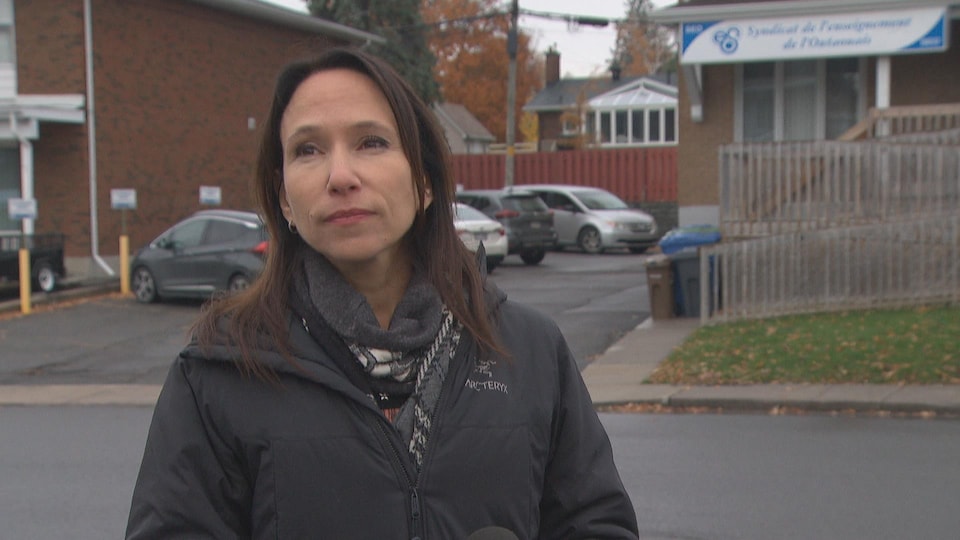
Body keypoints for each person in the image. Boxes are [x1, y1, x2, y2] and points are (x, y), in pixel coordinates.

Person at [125, 46, 639, 539]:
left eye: (371, 142)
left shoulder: (529, 351)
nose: (340, 175)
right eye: (308, 150)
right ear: (283, 197)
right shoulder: (221, 369)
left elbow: (594, 524)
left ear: (425, 180)